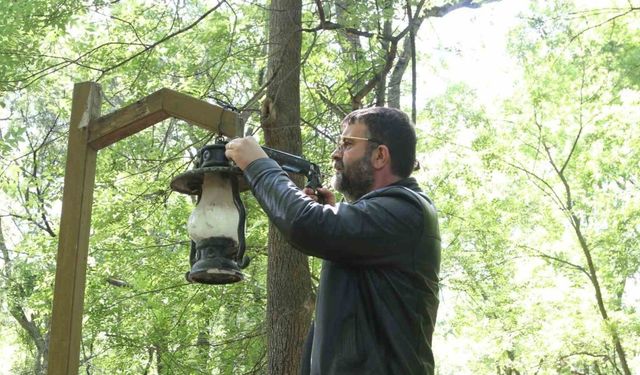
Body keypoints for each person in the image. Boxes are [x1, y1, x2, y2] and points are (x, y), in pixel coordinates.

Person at [224, 106, 441, 375]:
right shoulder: (391, 218)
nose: (335, 154)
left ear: (380, 155)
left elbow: (305, 223)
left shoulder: (407, 209)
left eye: (348, 144)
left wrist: (258, 165)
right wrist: (336, 214)